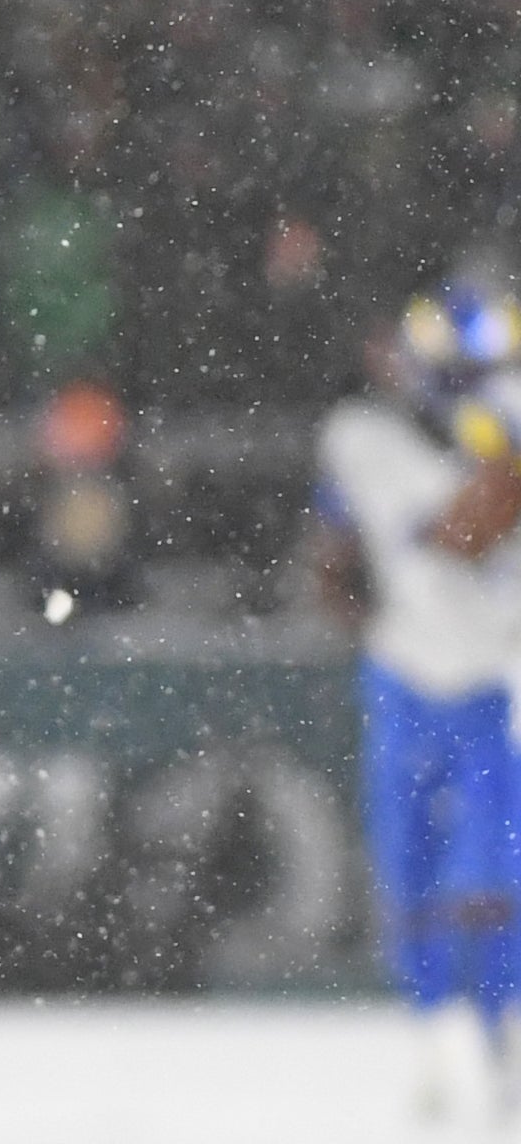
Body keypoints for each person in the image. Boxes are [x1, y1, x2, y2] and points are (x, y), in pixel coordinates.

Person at [312, 275, 521, 1123]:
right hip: (407, 669)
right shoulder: (365, 437)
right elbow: (447, 533)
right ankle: (437, 1036)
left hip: (498, 674)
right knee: (413, 868)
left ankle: (501, 1033)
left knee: (498, 875)